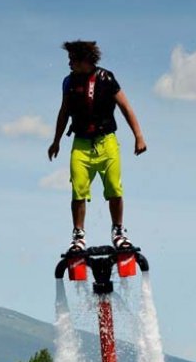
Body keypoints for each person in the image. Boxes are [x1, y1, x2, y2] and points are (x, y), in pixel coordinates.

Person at [48, 40, 147, 252]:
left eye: (72, 60)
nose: (69, 64)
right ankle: (78, 235)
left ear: (85, 60)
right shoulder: (69, 82)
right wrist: (56, 141)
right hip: (81, 144)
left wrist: (138, 136)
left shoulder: (106, 78)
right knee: (78, 190)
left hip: (106, 142)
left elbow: (125, 107)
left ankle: (118, 231)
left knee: (114, 187)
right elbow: (64, 112)